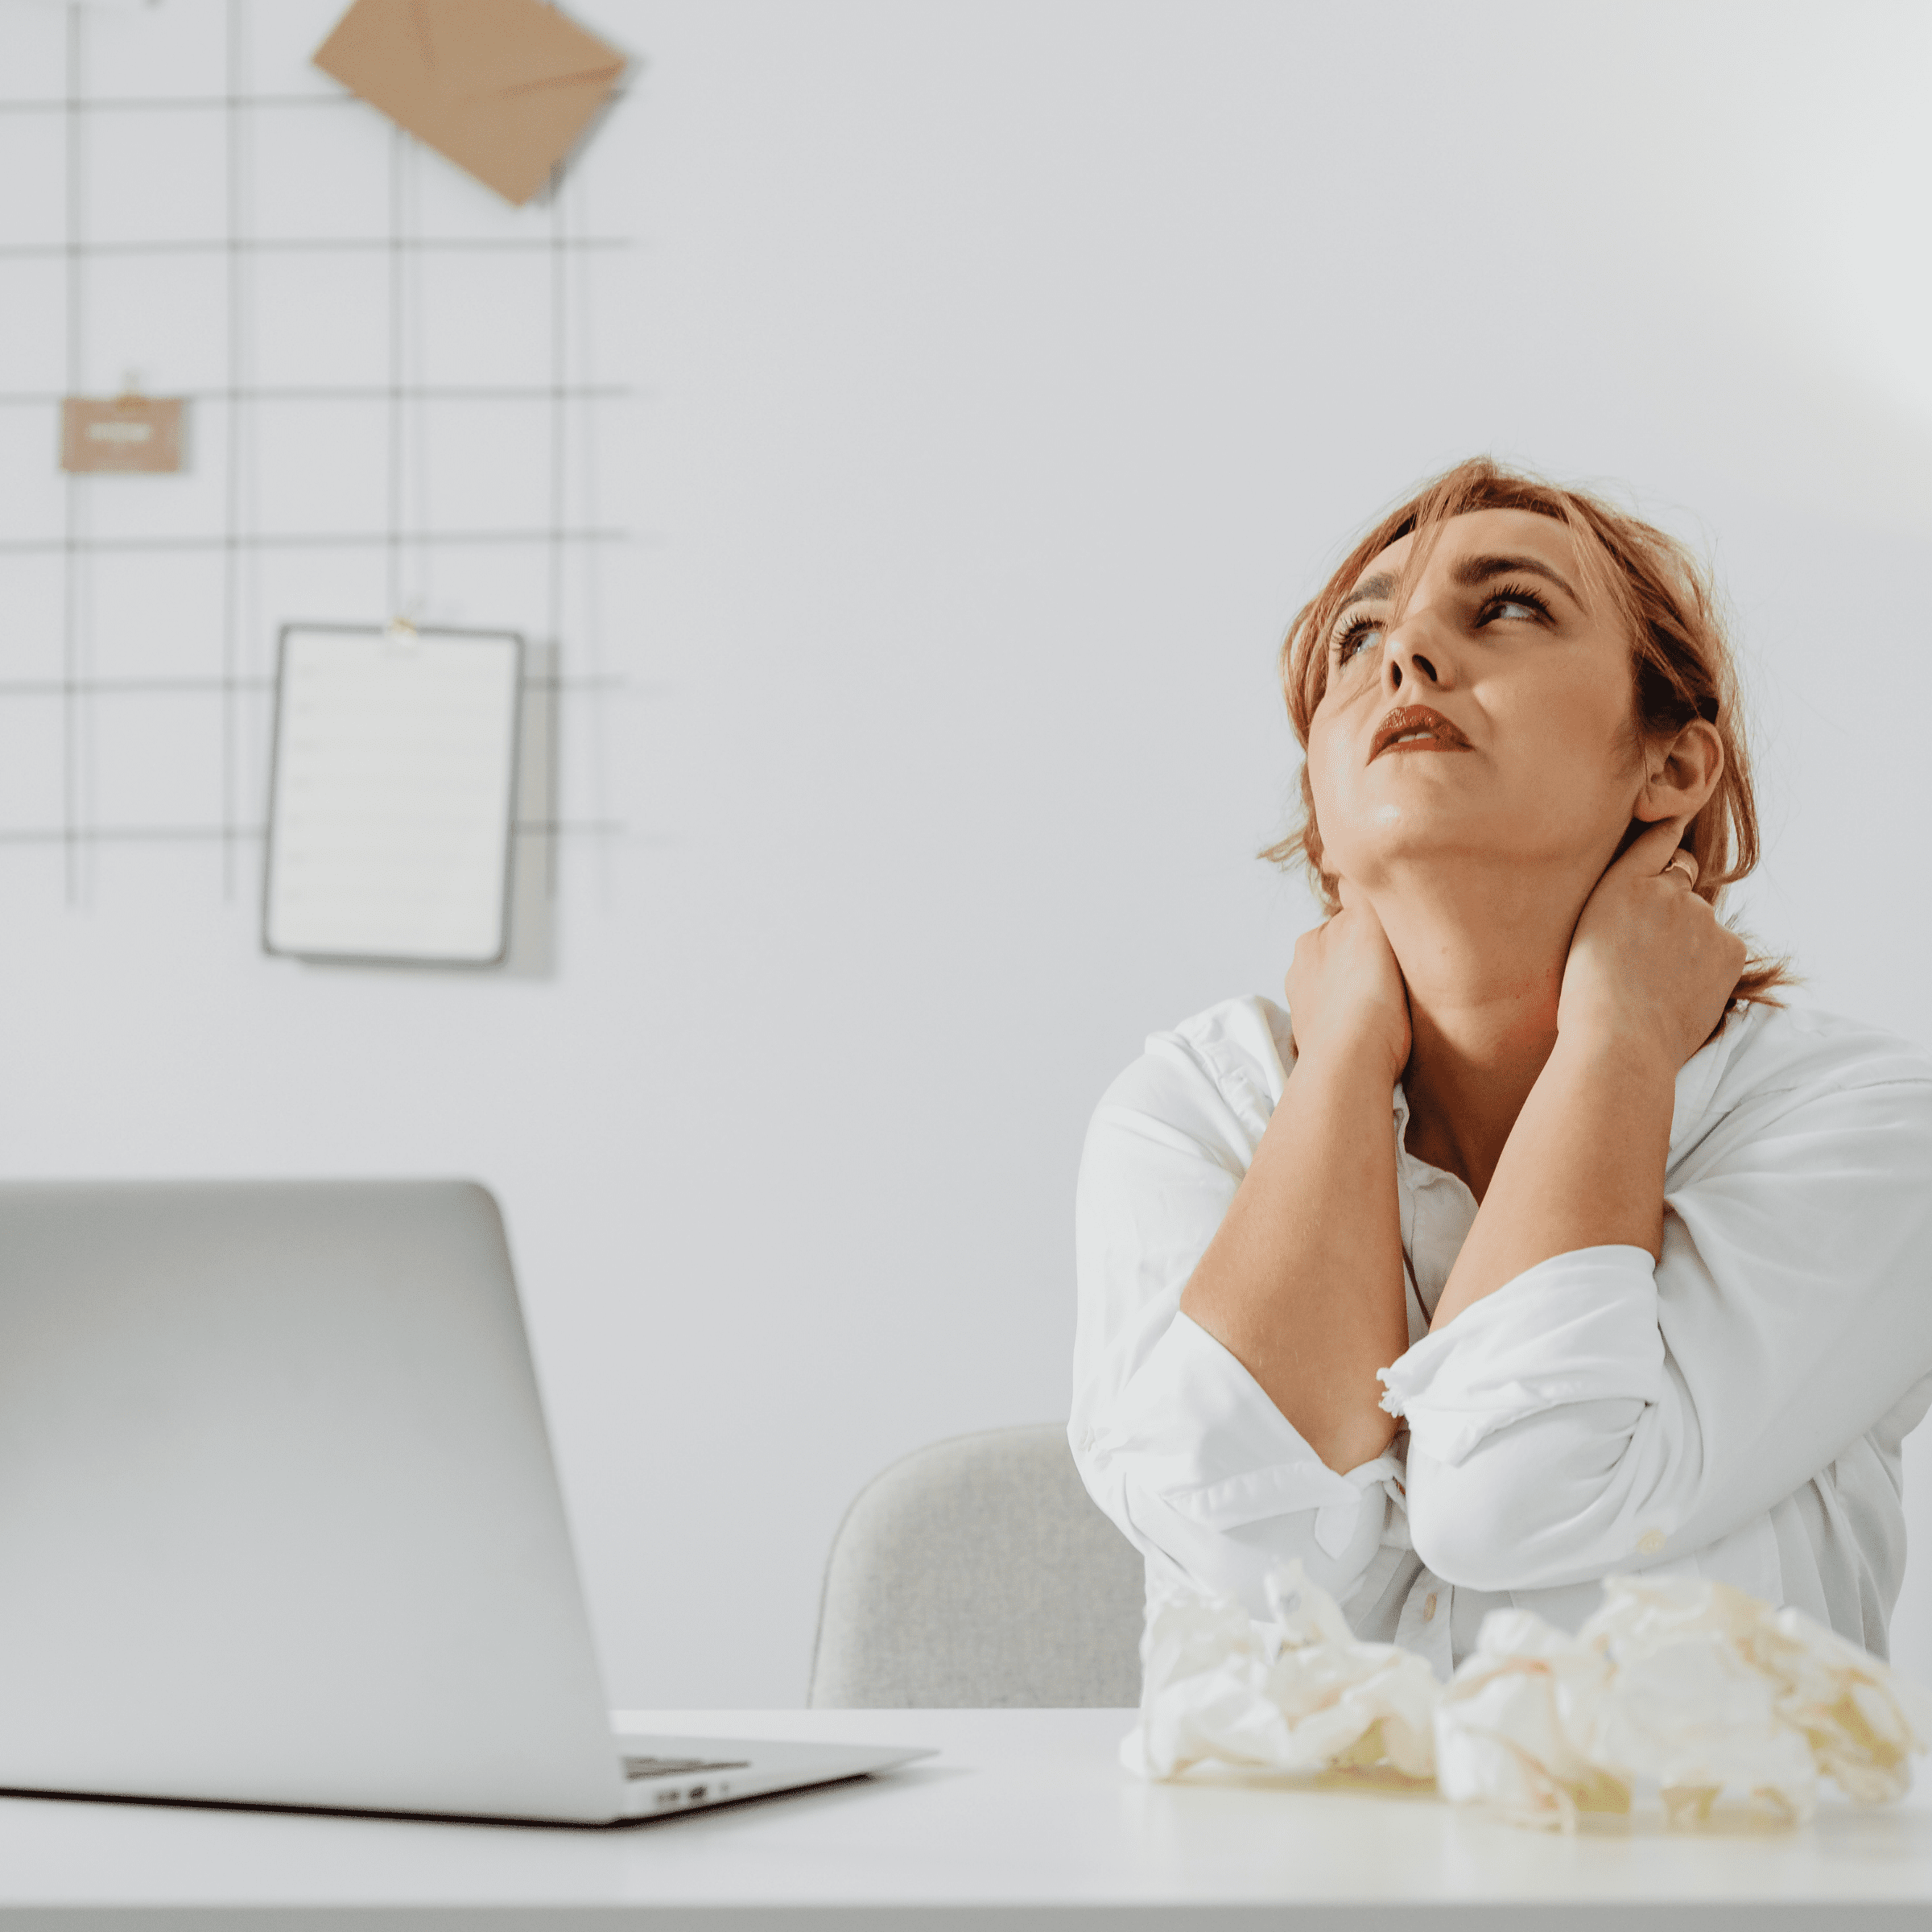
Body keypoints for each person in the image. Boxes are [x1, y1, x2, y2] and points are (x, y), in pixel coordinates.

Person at [1069, 457, 1932, 1677]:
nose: (1405, 655)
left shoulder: (1863, 1130)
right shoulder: (1193, 1113)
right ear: (1321, 807)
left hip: (1704, 1869)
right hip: (1266, 1870)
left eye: (1509, 605)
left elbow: (1516, 1497)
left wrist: (1620, 1047)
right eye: (1359, 637)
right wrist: (1347, 1058)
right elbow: (1253, 1557)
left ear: (1672, 769)